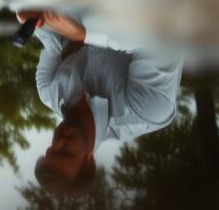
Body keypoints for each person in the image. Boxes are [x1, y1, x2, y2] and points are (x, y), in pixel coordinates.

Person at [29, 11, 184, 195]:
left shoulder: (47, 91)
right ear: (89, 160)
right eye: (66, 153)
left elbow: (50, 37)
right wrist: (84, 35)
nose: (60, 141)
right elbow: (159, 33)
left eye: (52, 149)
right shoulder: (147, 112)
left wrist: (36, 19)